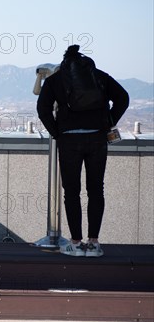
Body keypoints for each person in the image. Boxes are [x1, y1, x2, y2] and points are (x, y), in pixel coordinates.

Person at [37, 45, 129, 257]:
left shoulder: (55, 80)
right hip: (97, 137)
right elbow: (123, 97)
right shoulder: (99, 76)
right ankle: (94, 243)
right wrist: (109, 122)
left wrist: (57, 132)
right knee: (96, 189)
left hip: (69, 140)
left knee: (72, 192)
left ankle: (76, 244)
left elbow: (43, 110)